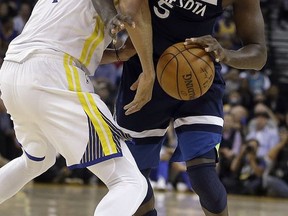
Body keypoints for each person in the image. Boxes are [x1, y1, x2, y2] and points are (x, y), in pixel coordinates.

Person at [0, 0, 156, 215]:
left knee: (37, 159)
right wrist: (149, 73)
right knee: (129, 181)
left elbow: (67, 41)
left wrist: (120, 54)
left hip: (13, 69)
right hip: (53, 73)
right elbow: (132, 13)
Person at [113, 0, 267, 215]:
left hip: (198, 77)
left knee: (203, 175)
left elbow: (259, 53)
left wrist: (225, 54)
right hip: (144, 72)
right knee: (133, 179)